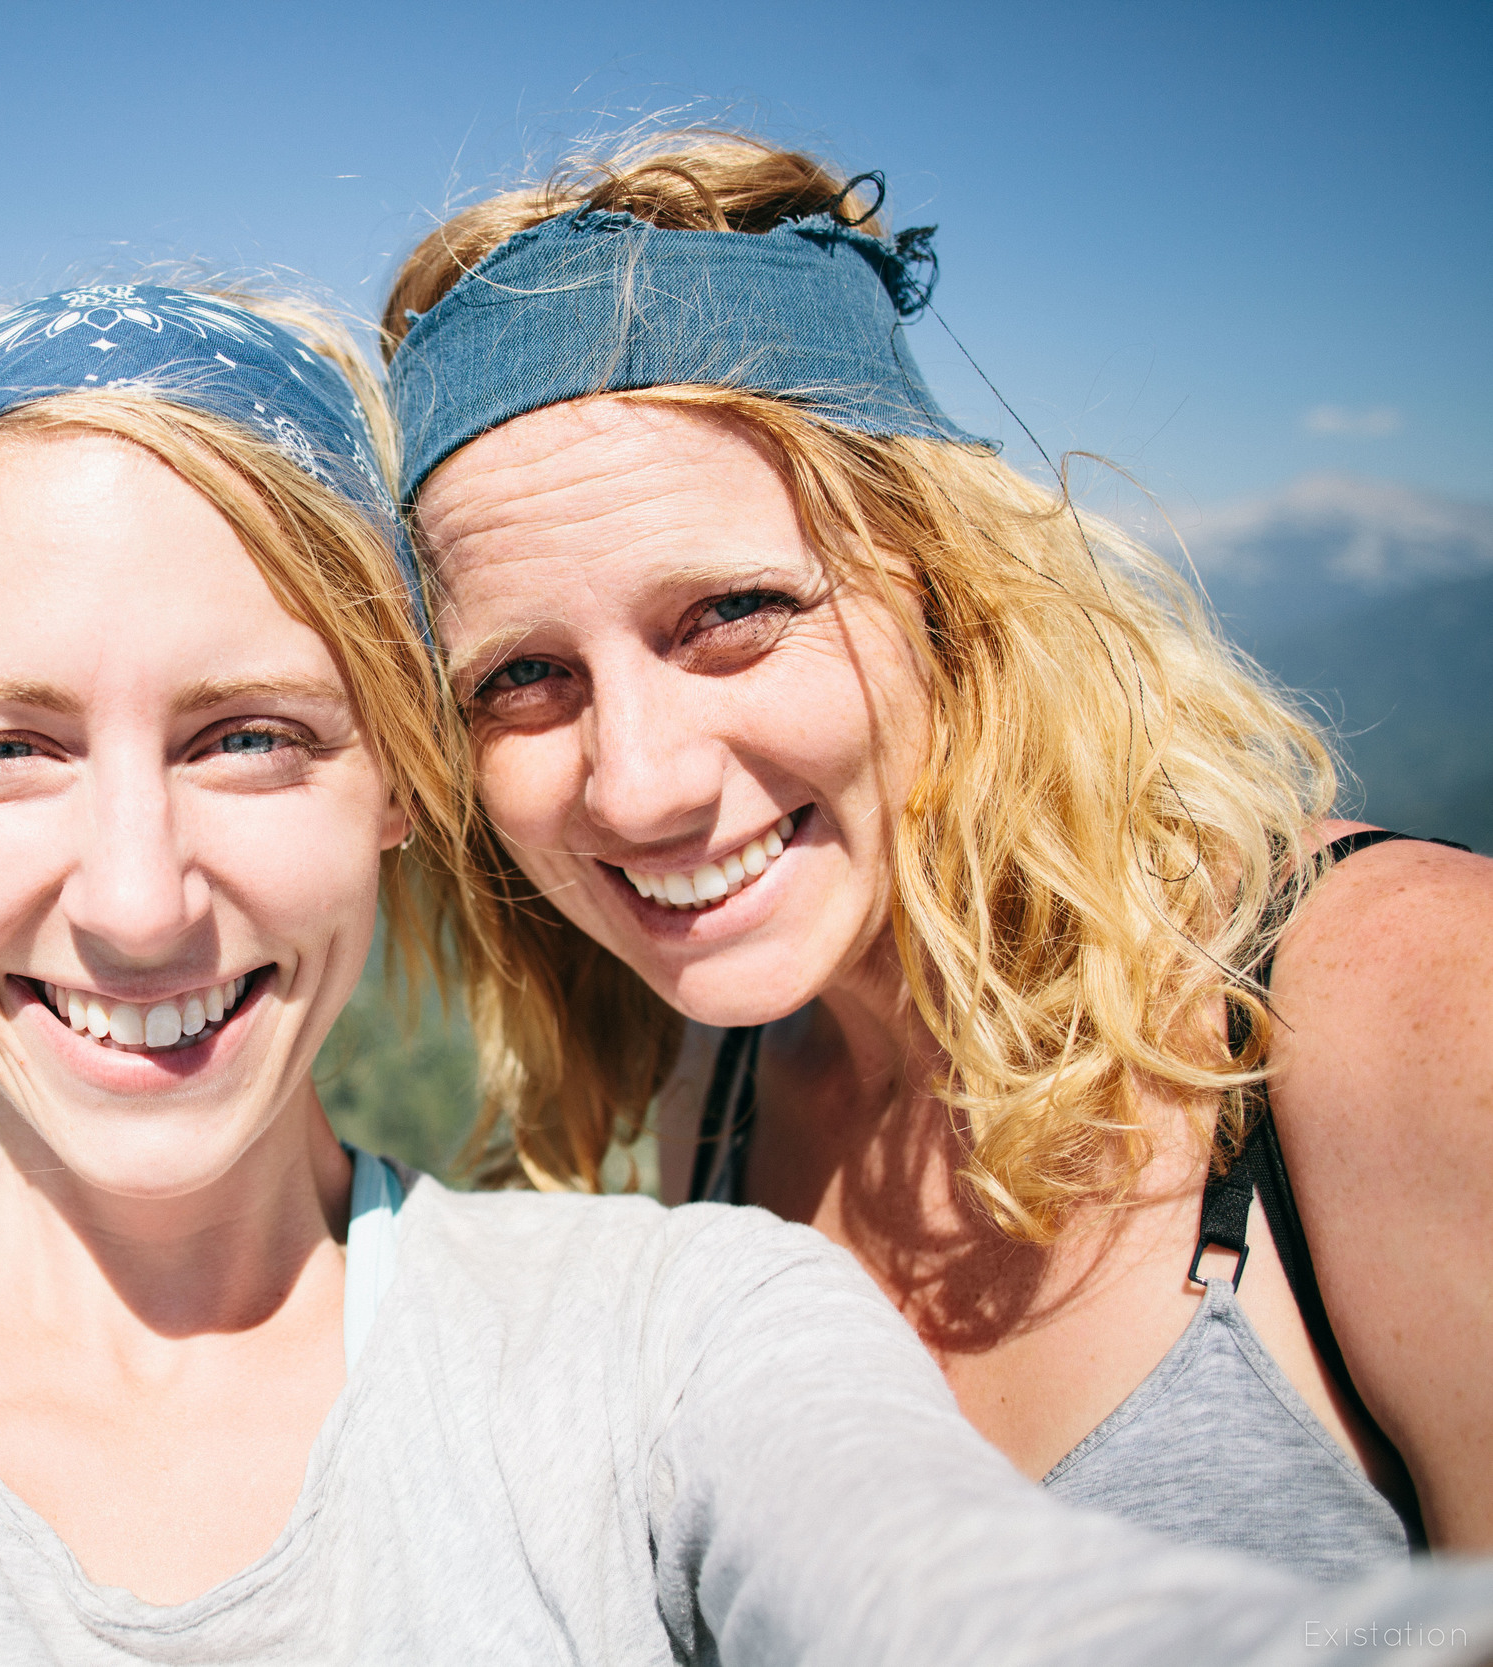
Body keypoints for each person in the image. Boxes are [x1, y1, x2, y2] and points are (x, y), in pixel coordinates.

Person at [0, 283, 1488, 1666]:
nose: (135, 899)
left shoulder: (674, 1321)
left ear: (391, 784)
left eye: (248, 738)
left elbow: (972, 1600)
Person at [382, 127, 1493, 1581]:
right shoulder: (714, 1091)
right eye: (521, 677)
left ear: (946, 590)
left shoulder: (1411, 1002)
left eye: (733, 615)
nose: (640, 787)